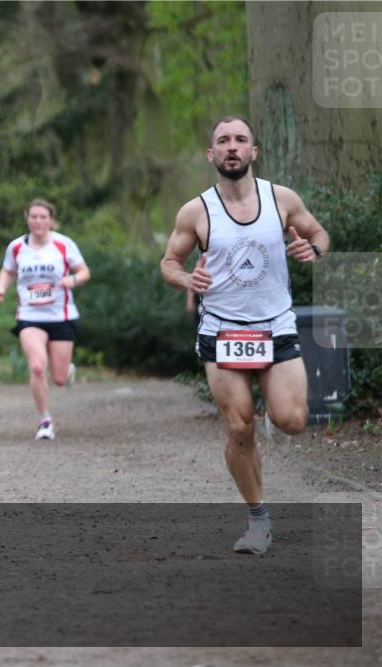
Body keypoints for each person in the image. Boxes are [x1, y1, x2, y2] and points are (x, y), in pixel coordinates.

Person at [160, 115, 329, 556]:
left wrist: (313, 249)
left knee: (291, 421)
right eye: (223, 141)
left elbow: (319, 234)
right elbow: (169, 262)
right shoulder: (195, 211)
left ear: (253, 152)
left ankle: (274, 412)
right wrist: (185, 281)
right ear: (211, 154)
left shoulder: (281, 199)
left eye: (240, 140)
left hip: (275, 325)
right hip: (221, 330)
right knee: (239, 429)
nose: (232, 147)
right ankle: (258, 521)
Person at [0, 199, 90, 440]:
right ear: (27, 218)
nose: (37, 221)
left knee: (58, 379)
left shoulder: (63, 244)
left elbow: (84, 271)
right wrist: (1, 289)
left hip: (61, 315)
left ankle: (67, 371)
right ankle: (45, 420)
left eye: (43, 217)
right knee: (37, 366)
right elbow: (8, 270)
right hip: (29, 315)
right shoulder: (16, 247)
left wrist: (73, 280)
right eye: (33, 216)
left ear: (50, 220)